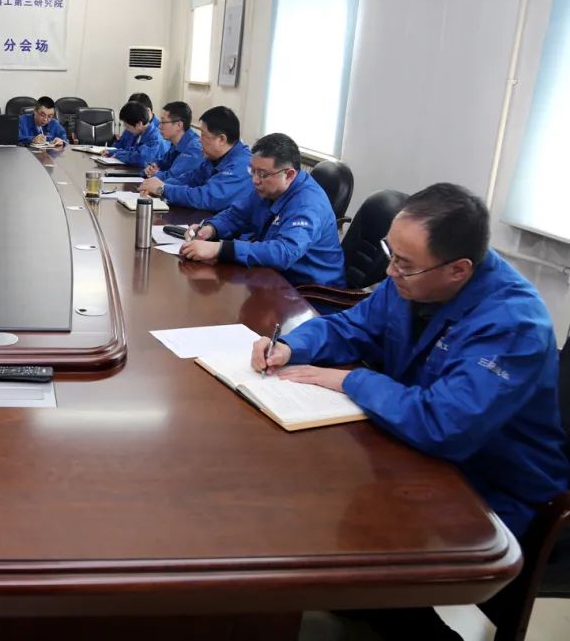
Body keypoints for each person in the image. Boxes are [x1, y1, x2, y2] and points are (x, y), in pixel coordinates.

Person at [253, 183, 570, 639]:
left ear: (458, 269)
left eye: (403, 263)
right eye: (390, 253)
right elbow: (351, 327)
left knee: (330, 526)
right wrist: (290, 346)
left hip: (490, 491)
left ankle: (397, 615)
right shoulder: (412, 282)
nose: (389, 271)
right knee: (306, 500)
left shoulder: (513, 323)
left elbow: (445, 425)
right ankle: (365, 603)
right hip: (415, 456)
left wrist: (350, 380)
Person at [178, 132, 344, 287]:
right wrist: (211, 228)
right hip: (273, 277)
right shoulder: (268, 188)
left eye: (262, 174)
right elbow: (237, 215)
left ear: (289, 175)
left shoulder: (307, 205)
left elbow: (283, 252)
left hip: (310, 291)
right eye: (253, 171)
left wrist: (220, 249)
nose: (255, 180)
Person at [140, 106, 251, 213]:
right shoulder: (214, 157)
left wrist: (163, 189)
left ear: (221, 139)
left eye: (203, 135)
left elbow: (207, 197)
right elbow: (192, 179)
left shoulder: (242, 165)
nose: (199, 140)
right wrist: (157, 184)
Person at [102, 101, 168, 167]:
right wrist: (113, 152)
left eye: (128, 127)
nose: (127, 130)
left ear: (139, 124)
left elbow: (141, 160)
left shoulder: (155, 138)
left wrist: (118, 155)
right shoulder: (143, 133)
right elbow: (133, 151)